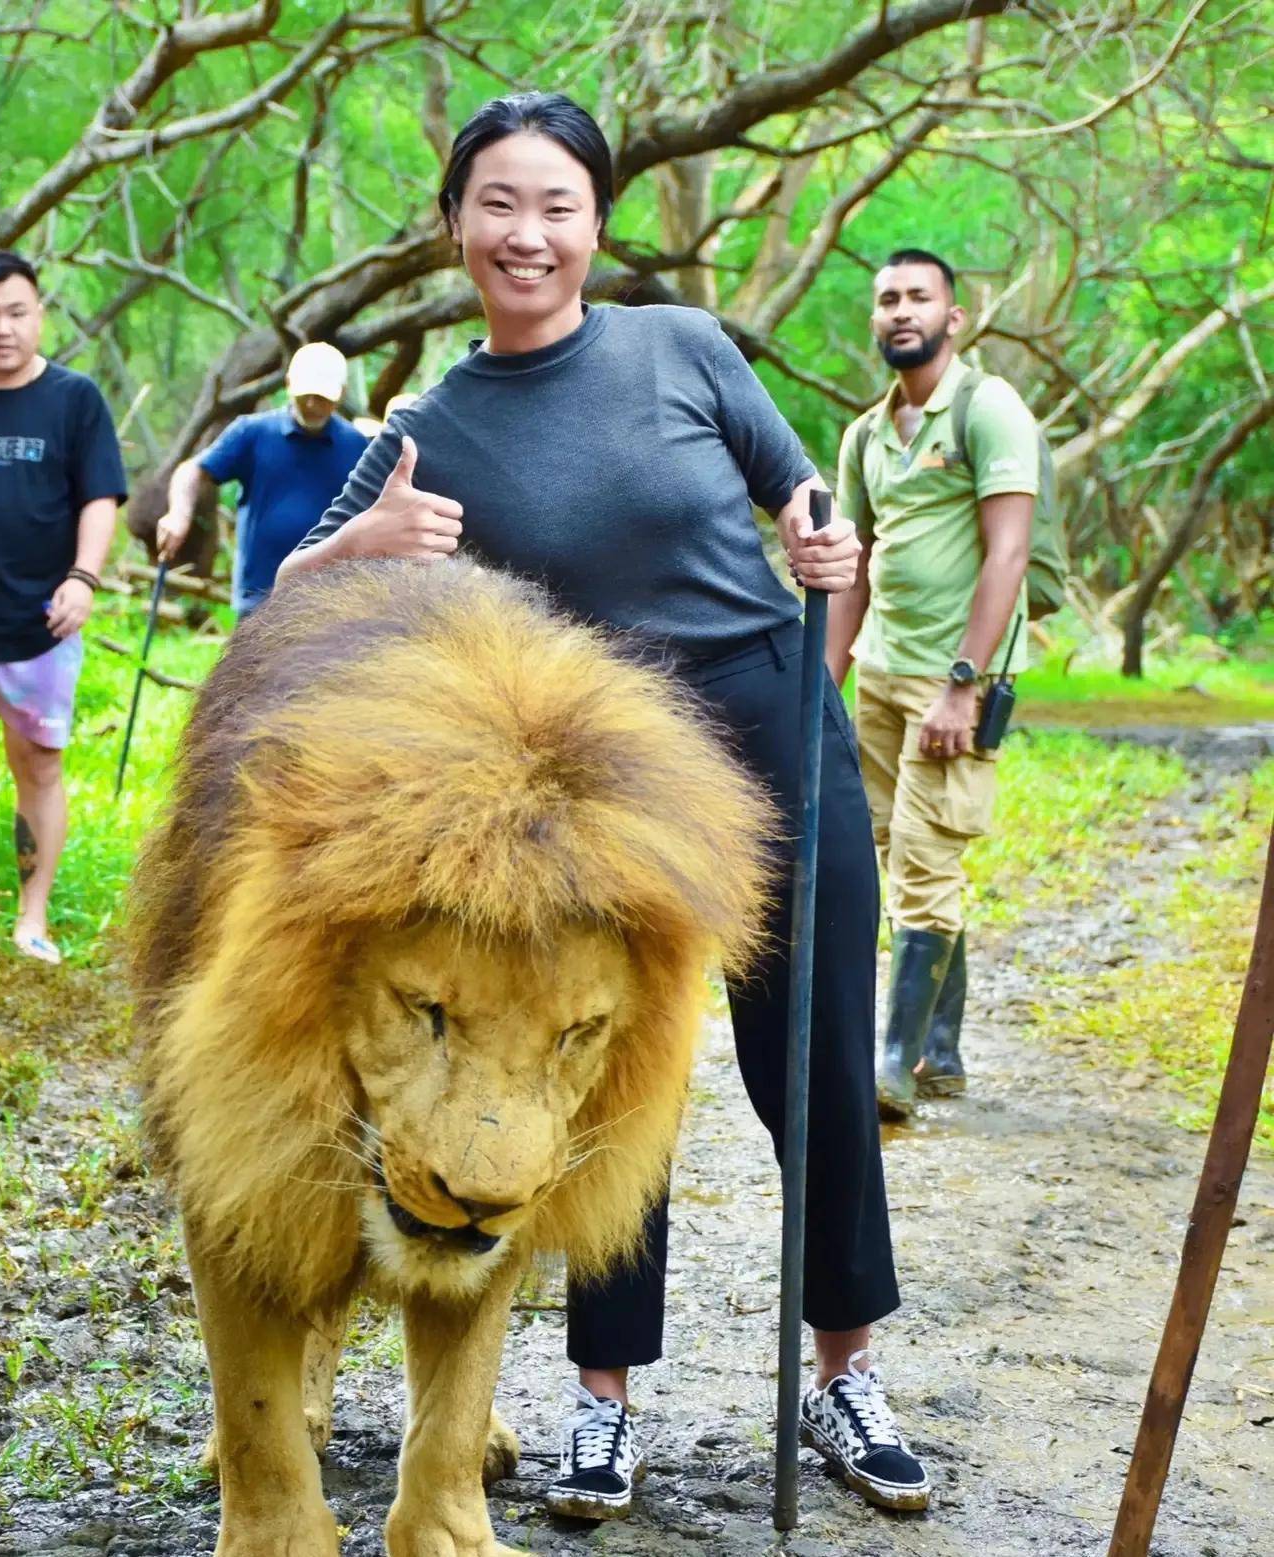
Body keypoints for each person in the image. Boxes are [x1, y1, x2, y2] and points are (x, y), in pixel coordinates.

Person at [281, 93, 932, 1522]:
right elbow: (284, 600)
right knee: (600, 1075)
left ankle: (844, 1369)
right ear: (455, 225)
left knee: (811, 1058)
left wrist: (818, 530)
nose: (528, 232)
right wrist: (372, 542)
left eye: (557, 205)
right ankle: (600, 1401)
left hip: (768, 734)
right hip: (600, 788)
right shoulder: (427, 425)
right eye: (498, 203)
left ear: (595, 223)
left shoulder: (682, 342)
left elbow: (795, 482)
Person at [832, 249, 1037, 1121]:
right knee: (895, 860)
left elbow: (1009, 552)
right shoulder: (865, 433)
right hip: (878, 673)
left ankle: (896, 1059)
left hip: (953, 680)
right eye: (886, 299)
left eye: (918, 297)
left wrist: (964, 682)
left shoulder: (989, 409)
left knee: (926, 861)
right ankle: (941, 1050)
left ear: (956, 317)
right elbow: (854, 568)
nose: (900, 311)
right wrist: (823, 688)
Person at [0, 250, 126, 964]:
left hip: (39, 625)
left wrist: (84, 576)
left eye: (16, 312)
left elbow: (98, 496)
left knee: (39, 767)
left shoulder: (74, 400)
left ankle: (31, 919)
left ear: (39, 313)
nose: (2, 329)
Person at [156, 342, 369, 614]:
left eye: (323, 397)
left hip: (328, 602)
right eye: (306, 394)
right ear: (289, 384)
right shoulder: (252, 433)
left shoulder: (356, 446)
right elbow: (193, 470)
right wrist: (179, 514)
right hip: (260, 599)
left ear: (342, 394)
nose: (312, 404)